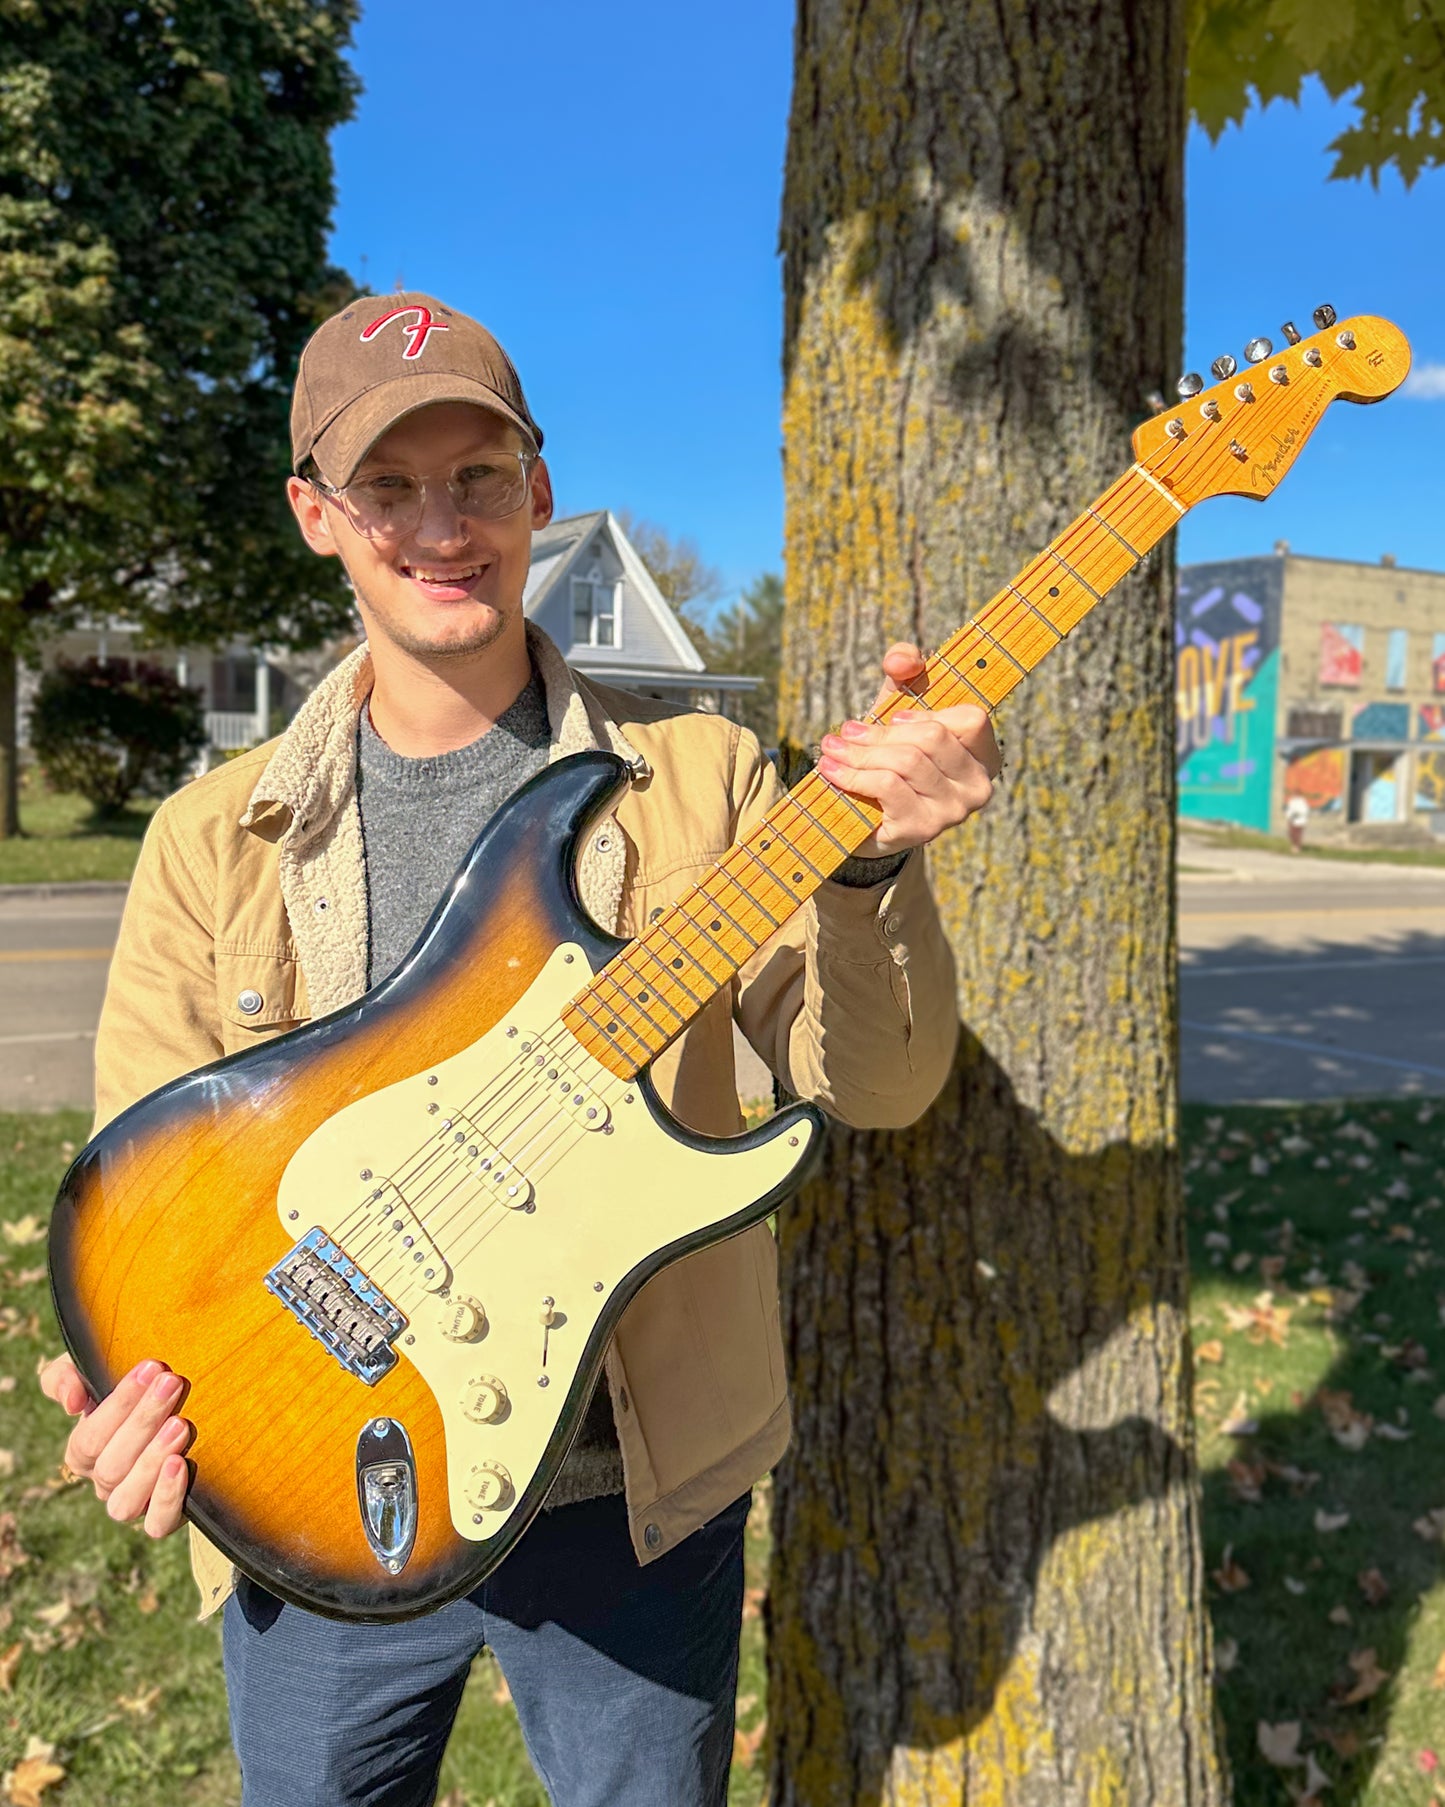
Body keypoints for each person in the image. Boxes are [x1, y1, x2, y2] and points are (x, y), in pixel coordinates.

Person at [40, 293, 998, 1806]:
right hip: (305, 1492)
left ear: (538, 491)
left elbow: (871, 1089)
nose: (442, 526)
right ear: (315, 516)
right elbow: (141, 1195)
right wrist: (125, 1394)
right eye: (388, 488)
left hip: (628, 1510)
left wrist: (872, 873)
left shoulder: (704, 782)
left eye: (477, 475)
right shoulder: (208, 841)